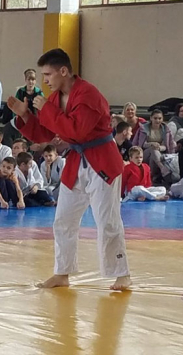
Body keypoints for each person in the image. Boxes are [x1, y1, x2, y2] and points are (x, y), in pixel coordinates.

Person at [7, 48, 131, 291]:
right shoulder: (55, 99)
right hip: (76, 162)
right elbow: (45, 134)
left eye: (48, 74)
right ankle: (62, 273)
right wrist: (26, 116)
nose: (45, 80)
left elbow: (76, 131)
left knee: (107, 221)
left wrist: (46, 109)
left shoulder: (89, 94)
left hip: (102, 161)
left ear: (63, 71)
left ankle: (122, 274)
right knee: (63, 219)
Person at [132, 109, 175, 183]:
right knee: (153, 149)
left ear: (162, 119)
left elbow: (167, 145)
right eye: (155, 118)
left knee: (153, 155)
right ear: (151, 118)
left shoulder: (166, 130)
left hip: (160, 153)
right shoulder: (143, 129)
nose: (157, 120)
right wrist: (151, 144)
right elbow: (141, 144)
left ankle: (151, 176)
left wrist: (159, 147)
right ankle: (162, 168)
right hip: (144, 153)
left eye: (159, 118)